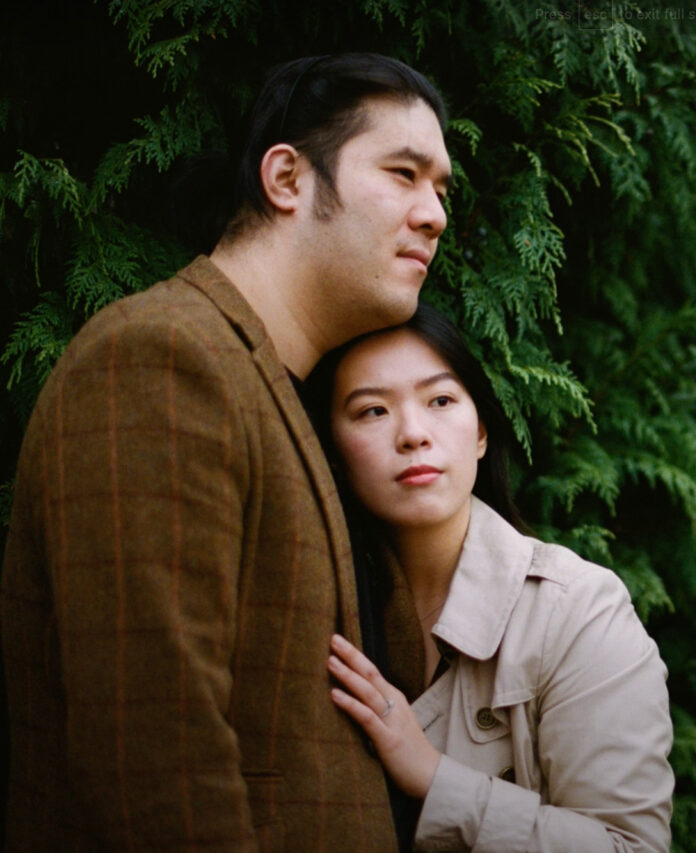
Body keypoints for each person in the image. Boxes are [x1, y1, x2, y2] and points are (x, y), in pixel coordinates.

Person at [1, 53, 452, 849]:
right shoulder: (162, 355)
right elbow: (156, 761)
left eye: (441, 188)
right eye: (404, 173)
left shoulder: (294, 396)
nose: (435, 214)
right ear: (286, 180)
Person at [307, 302, 675, 851]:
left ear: (480, 432)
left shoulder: (578, 611)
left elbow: (632, 846)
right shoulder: (317, 607)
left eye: (440, 400)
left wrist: (434, 778)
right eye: (372, 411)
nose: (412, 434)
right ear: (331, 454)